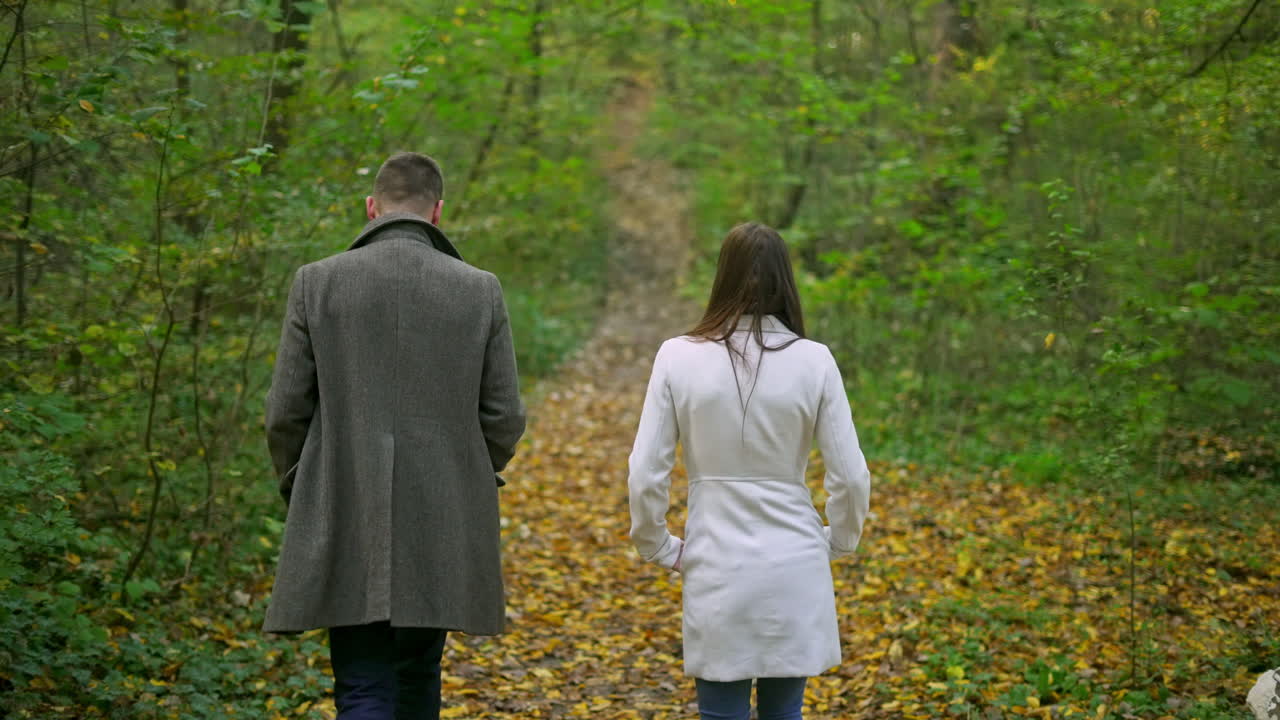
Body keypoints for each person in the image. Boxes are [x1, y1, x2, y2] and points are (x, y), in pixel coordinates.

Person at [263, 151, 526, 720]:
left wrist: (303, 485)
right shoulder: (479, 289)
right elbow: (505, 415)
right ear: (437, 213)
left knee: (362, 682)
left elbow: (284, 411)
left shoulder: (318, 282)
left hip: (345, 505)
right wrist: (468, 471)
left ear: (371, 208)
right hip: (441, 512)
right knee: (417, 677)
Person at [627, 222, 872, 720]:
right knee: (785, 714)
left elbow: (645, 472)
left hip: (716, 561)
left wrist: (659, 546)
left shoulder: (678, 356)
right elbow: (851, 476)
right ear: (787, 280)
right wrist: (838, 541)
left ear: (723, 277)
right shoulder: (815, 361)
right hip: (796, 559)